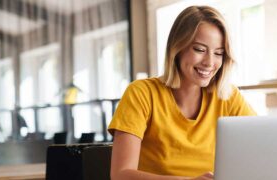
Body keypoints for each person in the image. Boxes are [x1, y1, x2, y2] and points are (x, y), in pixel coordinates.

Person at [108, 5, 256, 180]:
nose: (210, 62)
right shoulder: (141, 93)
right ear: (177, 48)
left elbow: (262, 146)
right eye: (200, 49)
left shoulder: (228, 97)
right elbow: (120, 175)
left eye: (218, 53)